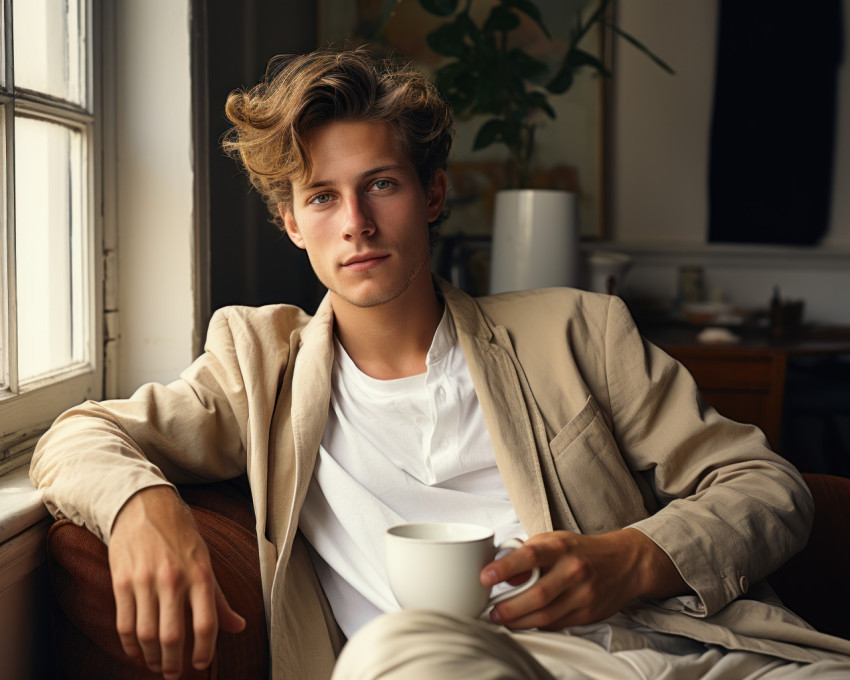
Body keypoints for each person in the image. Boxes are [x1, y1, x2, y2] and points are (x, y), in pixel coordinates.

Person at [31, 49, 850, 680]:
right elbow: (76, 437)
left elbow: (766, 488)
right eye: (322, 197)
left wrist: (630, 558)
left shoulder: (576, 331)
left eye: (380, 184)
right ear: (290, 223)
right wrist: (146, 506)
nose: (355, 222)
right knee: (399, 655)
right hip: (448, 665)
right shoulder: (259, 363)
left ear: (430, 194)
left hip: (671, 655)